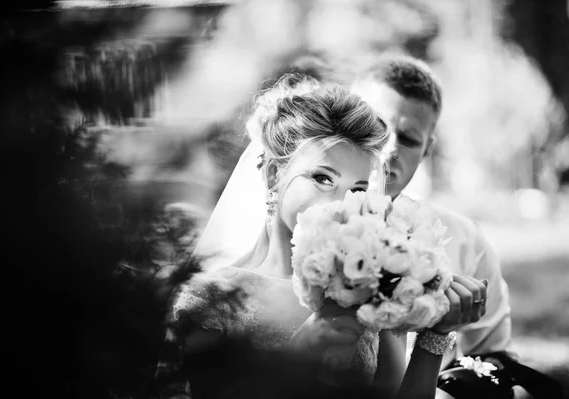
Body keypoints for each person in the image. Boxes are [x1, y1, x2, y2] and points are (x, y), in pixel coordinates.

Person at [165, 74, 488, 399]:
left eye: (357, 189)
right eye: (322, 178)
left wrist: (435, 336)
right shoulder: (211, 298)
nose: (338, 203)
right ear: (275, 172)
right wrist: (293, 363)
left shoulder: (372, 290)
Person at [349, 56, 517, 369]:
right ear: (347, 120)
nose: (389, 150)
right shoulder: (303, 227)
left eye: (410, 139)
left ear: (427, 149)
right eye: (376, 126)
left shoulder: (466, 241)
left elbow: (495, 357)